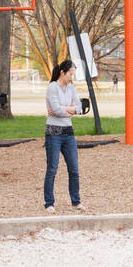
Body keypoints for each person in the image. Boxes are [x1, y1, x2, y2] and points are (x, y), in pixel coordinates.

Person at [44, 59, 85, 212]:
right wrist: (68, 110)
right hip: (53, 132)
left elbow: (80, 108)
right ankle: (49, 203)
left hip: (68, 132)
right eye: (71, 74)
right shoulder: (52, 87)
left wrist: (65, 109)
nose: (72, 78)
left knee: (74, 169)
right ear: (62, 72)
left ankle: (76, 201)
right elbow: (56, 109)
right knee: (52, 168)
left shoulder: (71, 88)